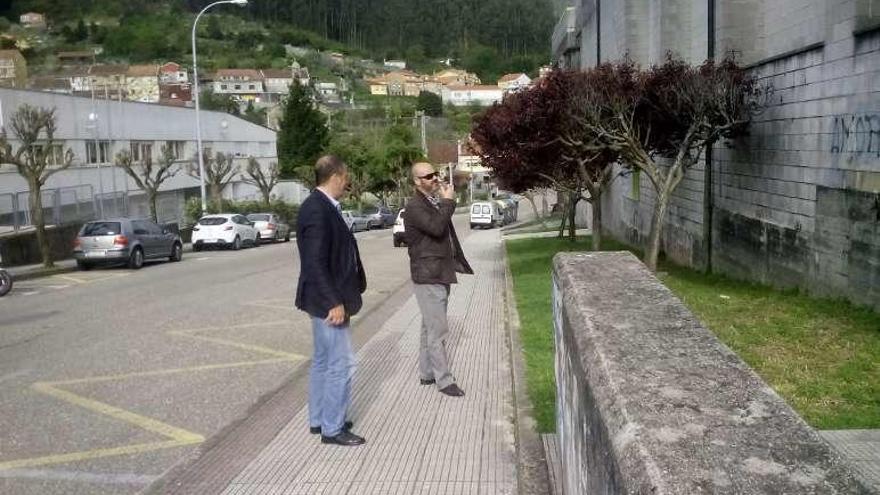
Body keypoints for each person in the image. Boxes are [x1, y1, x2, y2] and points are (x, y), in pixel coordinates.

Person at [295, 155, 367, 446]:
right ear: (336, 175)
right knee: (342, 363)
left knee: (323, 362)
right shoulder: (316, 209)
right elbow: (313, 262)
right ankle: (332, 429)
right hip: (327, 302)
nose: (347, 182)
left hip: (323, 298)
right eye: (346, 176)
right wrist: (334, 302)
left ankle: (319, 420)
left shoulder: (321, 206)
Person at [404, 162, 473, 397]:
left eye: (436, 174)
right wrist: (449, 201)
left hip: (438, 272)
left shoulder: (430, 202)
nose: (435, 178)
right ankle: (444, 380)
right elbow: (436, 227)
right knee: (438, 330)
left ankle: (426, 373)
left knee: (428, 327)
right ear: (416, 181)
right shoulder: (414, 206)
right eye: (428, 176)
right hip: (428, 274)